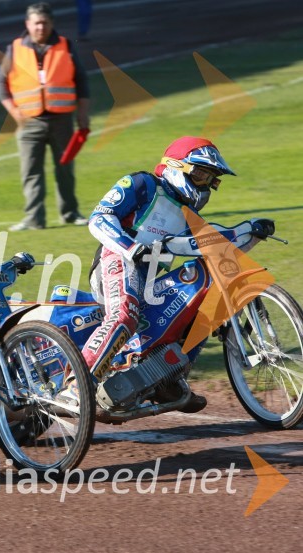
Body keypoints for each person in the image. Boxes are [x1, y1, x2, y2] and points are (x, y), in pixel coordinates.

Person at [82, 136, 275, 414]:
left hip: (149, 282)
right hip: (114, 261)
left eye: (210, 178)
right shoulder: (141, 184)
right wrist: (130, 247)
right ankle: (79, 380)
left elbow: (206, 243)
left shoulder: (187, 213)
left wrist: (250, 231)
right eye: (199, 174)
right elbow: (99, 218)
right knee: (126, 312)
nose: (204, 183)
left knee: (204, 298)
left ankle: (165, 380)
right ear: (174, 166)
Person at [0, 2, 91, 231]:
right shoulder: (15, 48)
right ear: (28, 24)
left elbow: (82, 81)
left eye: (45, 22)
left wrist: (83, 114)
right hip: (28, 122)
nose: (41, 27)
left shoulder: (65, 46)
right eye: (36, 22)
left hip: (61, 120)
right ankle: (33, 219)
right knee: (30, 172)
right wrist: (14, 112)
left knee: (65, 169)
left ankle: (70, 214)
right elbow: (1, 82)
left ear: (52, 23)